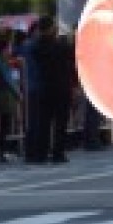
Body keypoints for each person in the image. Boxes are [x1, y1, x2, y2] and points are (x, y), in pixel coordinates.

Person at [21, 15, 75, 164]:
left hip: (43, 88)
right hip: (60, 88)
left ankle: (41, 154)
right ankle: (58, 153)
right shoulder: (61, 46)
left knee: (42, 123)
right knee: (60, 123)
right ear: (51, 28)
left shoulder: (34, 47)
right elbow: (70, 58)